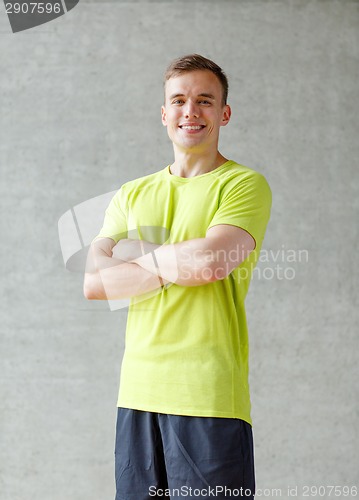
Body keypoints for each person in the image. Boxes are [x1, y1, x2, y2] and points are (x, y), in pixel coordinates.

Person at [84, 54, 272, 500]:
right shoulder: (133, 193)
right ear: (164, 113)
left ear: (224, 113)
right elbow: (95, 284)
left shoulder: (243, 185)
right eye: (180, 100)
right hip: (137, 393)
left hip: (207, 395)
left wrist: (135, 255)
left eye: (205, 101)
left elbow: (210, 263)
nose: (192, 111)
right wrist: (177, 260)